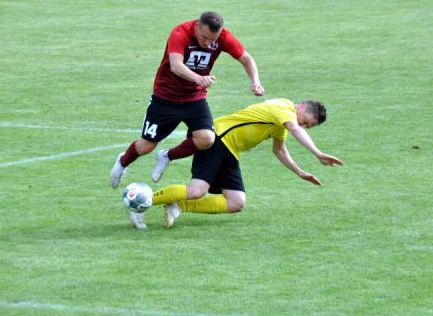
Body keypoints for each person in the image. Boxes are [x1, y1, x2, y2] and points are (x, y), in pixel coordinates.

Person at [128, 98, 344, 229]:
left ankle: (178, 205)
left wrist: (300, 172)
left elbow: (279, 150)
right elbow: (295, 129)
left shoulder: (282, 122)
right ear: (303, 106)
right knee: (196, 190)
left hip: (231, 151)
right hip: (219, 139)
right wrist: (318, 153)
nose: (302, 126)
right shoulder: (283, 108)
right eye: (305, 121)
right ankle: (141, 204)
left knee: (236, 202)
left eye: (308, 126)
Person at [110, 11, 264, 189]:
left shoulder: (224, 37)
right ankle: (122, 161)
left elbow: (246, 58)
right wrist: (198, 78)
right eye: (204, 37)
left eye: (212, 40)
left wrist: (255, 81)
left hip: (194, 97)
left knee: (207, 138)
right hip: (165, 97)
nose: (207, 43)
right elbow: (176, 66)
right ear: (197, 25)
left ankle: (167, 156)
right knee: (145, 146)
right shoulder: (180, 33)